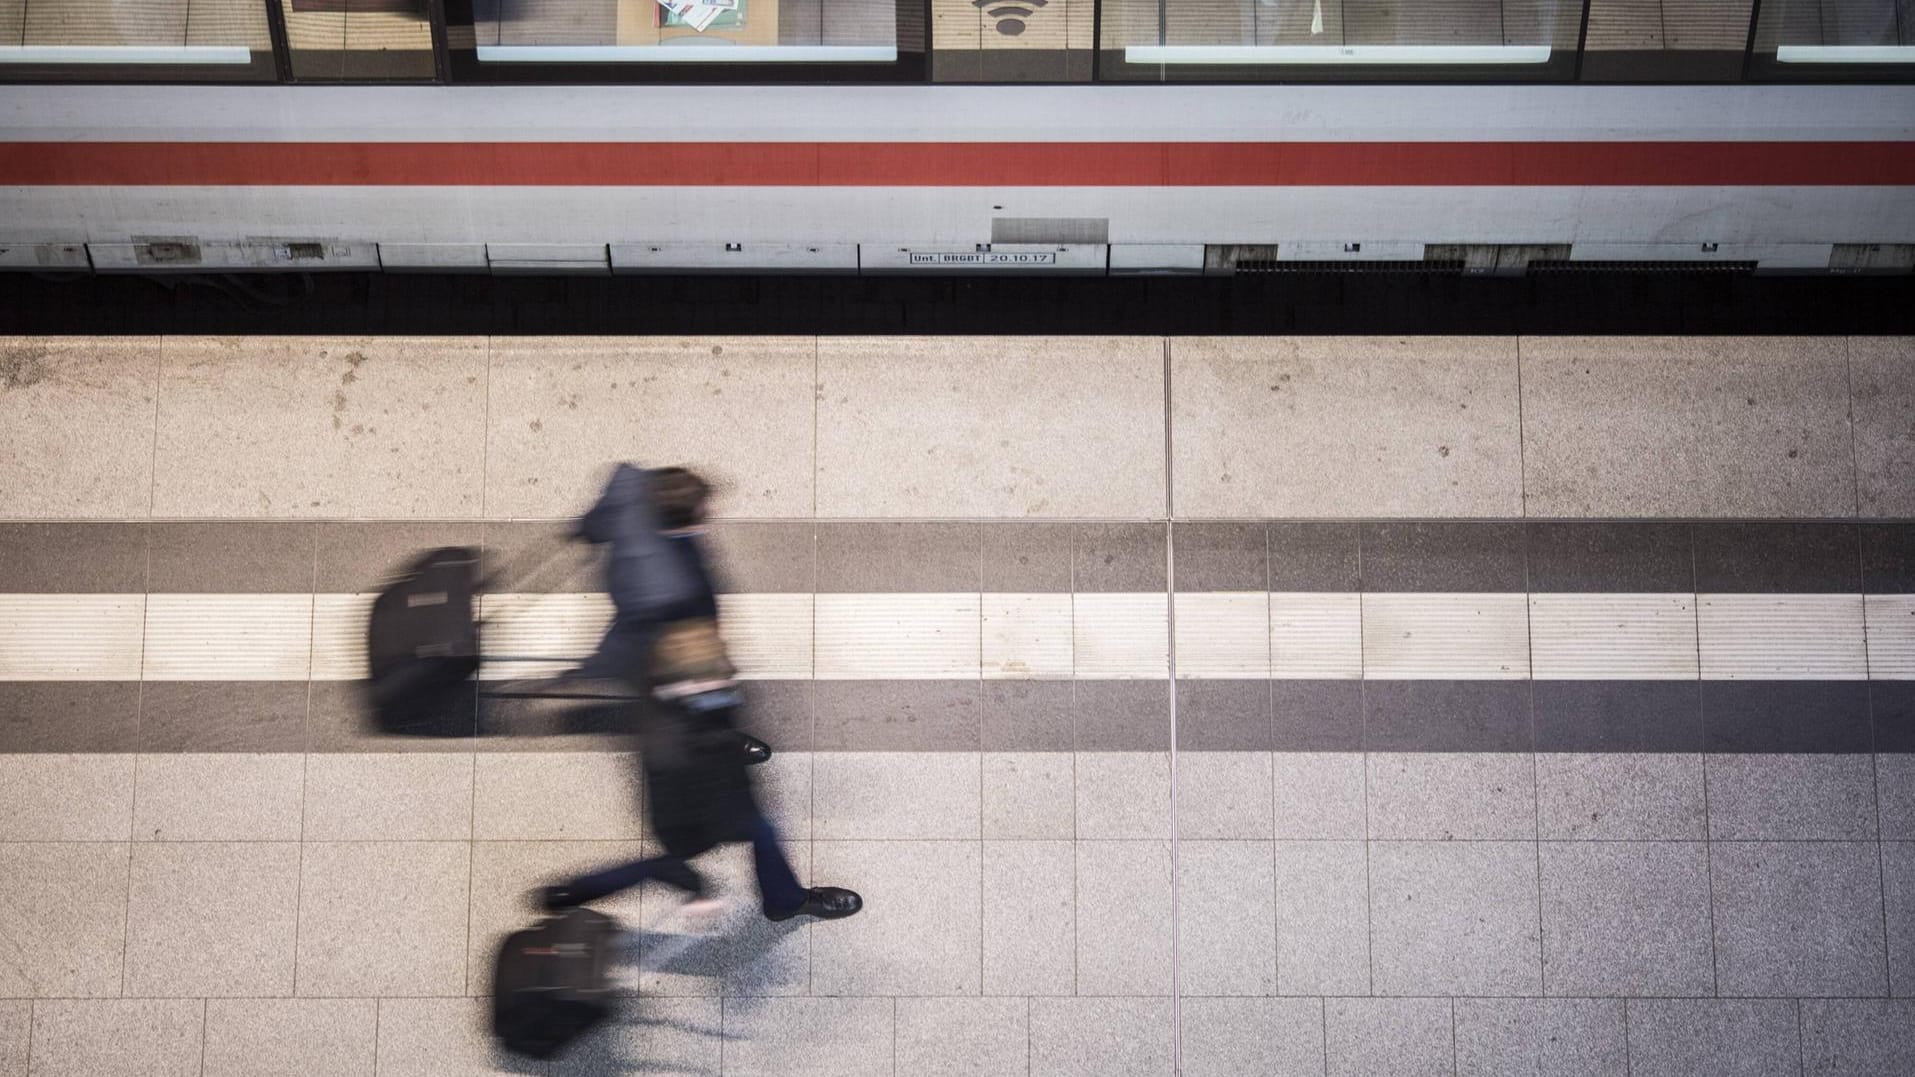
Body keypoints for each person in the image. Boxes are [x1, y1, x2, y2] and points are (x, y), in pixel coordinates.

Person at [541, 463, 861, 924]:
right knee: (743, 834)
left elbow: (602, 510)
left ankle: (569, 893)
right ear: (683, 520)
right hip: (690, 762)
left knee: (692, 846)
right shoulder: (676, 596)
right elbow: (695, 694)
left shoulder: (631, 490)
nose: (708, 515)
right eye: (701, 511)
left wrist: (592, 532)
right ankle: (783, 901)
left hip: (668, 713)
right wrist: (712, 694)